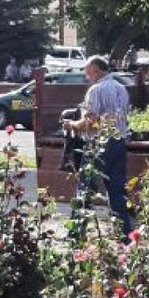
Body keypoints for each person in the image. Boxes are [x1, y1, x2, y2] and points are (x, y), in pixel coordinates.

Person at [62, 55, 134, 233]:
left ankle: (75, 234)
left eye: (88, 72)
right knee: (117, 191)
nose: (87, 76)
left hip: (99, 144)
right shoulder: (121, 89)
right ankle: (125, 234)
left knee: (85, 189)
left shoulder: (96, 90)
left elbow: (90, 121)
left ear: (96, 70)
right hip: (119, 141)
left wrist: (72, 124)